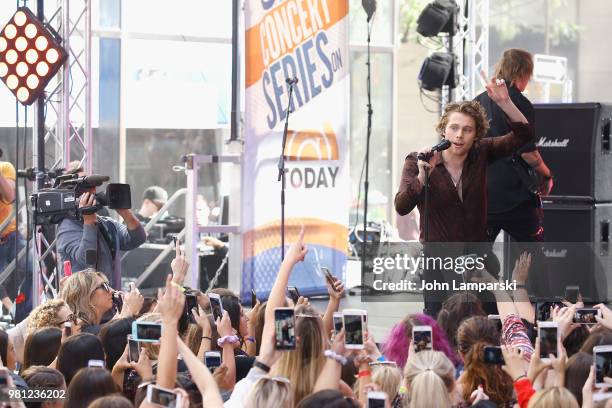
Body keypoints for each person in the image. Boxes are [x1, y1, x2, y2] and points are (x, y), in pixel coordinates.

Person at [394, 74, 533, 316]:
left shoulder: (481, 152)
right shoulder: (418, 160)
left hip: (477, 260)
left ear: (476, 134)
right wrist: (423, 176)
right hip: (438, 262)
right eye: (454, 128)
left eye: (467, 130)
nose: (459, 135)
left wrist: (505, 103)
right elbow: (402, 206)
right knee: (442, 326)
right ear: (444, 130)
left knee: (486, 322)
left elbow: (523, 136)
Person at [474, 49, 553, 295]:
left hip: (484, 193)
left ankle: (481, 312)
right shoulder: (520, 102)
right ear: (523, 73)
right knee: (534, 254)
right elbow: (528, 151)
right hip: (515, 196)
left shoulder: (478, 101)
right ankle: (544, 310)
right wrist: (546, 173)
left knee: (477, 258)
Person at [56, 190, 146, 288]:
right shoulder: (67, 226)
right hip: (83, 301)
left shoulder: (107, 223)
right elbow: (86, 260)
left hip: (109, 298)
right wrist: (89, 221)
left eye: (94, 190)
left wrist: (124, 211)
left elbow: (137, 238)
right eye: (87, 191)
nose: (93, 195)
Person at [0, 148, 26, 313]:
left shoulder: (5, 167)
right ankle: (8, 305)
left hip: (10, 234)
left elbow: (10, 196)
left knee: (36, 265)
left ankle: (23, 306)